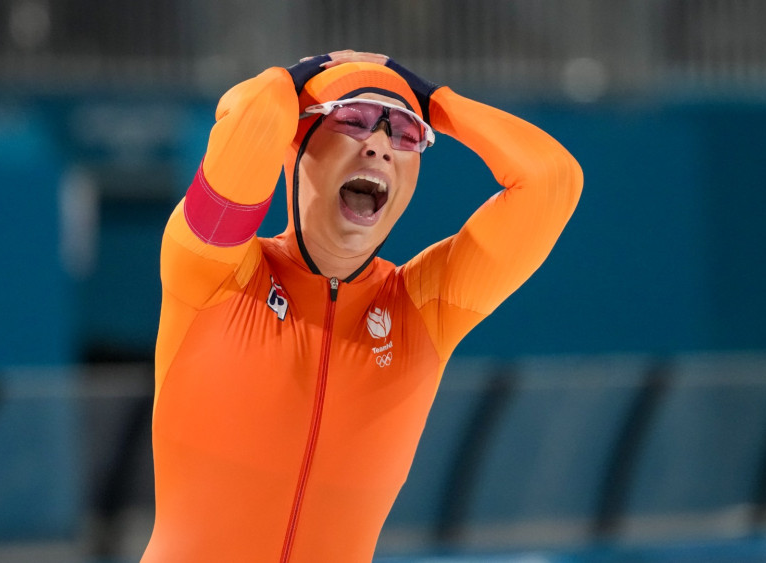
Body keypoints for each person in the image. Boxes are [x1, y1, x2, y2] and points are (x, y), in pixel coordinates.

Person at [143, 49, 583, 562]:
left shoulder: (420, 310)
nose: (379, 146)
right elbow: (255, 121)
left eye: (404, 133)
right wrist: (298, 76)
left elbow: (553, 180)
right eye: (353, 121)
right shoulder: (213, 270)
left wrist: (437, 102)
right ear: (298, 148)